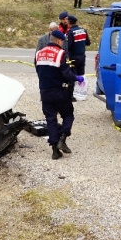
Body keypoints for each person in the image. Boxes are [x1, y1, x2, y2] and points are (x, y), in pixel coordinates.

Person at [35, 30, 83, 159]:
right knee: (68, 115)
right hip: (61, 92)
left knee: (51, 119)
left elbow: (38, 71)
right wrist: (77, 78)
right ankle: (63, 137)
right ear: (59, 40)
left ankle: (54, 150)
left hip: (45, 92)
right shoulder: (61, 54)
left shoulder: (39, 54)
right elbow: (66, 73)